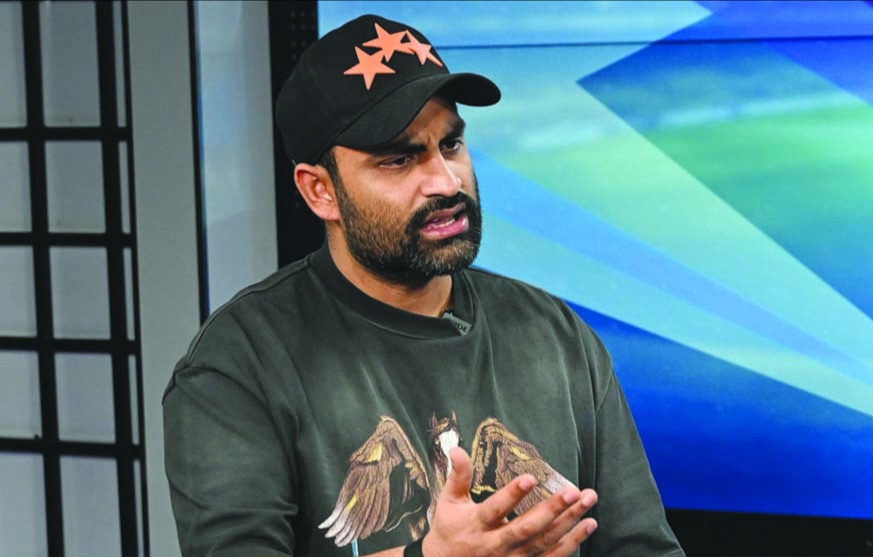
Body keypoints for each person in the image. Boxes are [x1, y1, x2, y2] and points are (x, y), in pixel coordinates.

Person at [163, 13, 685, 557]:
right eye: (398, 159)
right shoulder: (239, 365)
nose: (445, 181)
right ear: (320, 192)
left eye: (451, 145)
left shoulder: (555, 335)